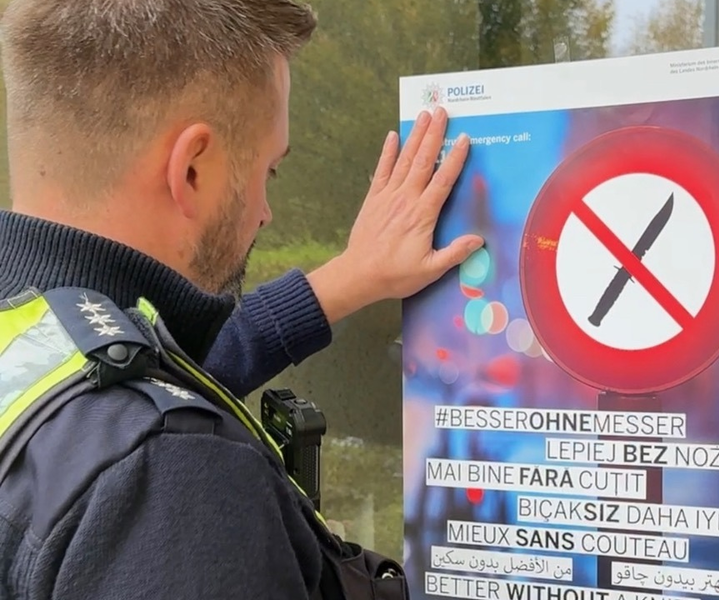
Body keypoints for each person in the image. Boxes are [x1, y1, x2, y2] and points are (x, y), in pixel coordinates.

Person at [0, 0, 483, 599]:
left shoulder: (34, 339)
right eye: (269, 171)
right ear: (193, 170)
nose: (266, 211)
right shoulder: (178, 487)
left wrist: (355, 275)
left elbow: (147, 371)